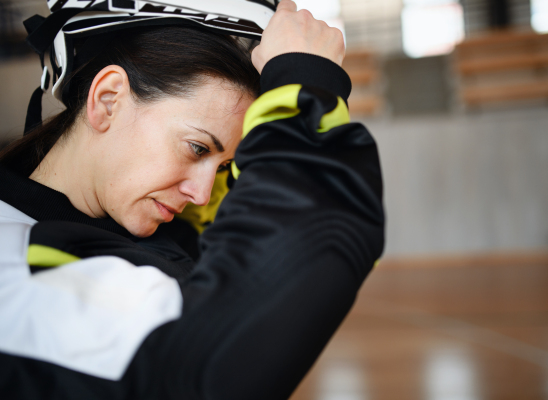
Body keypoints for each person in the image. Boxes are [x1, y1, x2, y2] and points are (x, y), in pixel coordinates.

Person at [0, 0, 384, 398]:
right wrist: (303, 88)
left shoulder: (152, 232)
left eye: (221, 168)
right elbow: (216, 367)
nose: (201, 195)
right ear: (108, 99)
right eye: (198, 149)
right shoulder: (11, 265)